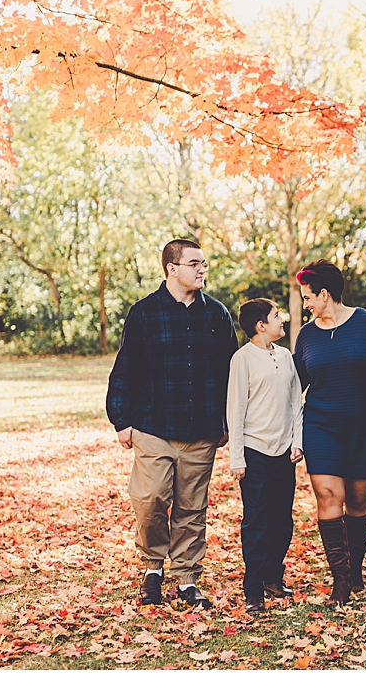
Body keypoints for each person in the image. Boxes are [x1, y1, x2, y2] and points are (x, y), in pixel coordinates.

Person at [106, 239, 239, 609]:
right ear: (171, 269)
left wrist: (228, 420)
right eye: (194, 263)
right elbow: (126, 367)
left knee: (191, 508)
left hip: (201, 430)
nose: (202, 270)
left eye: (204, 264)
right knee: (149, 500)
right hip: (153, 425)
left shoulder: (216, 314)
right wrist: (121, 419)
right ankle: (152, 568)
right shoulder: (144, 312)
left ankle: (186, 578)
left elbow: (229, 372)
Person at [292, 259, 366, 606]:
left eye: (308, 297)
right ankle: (340, 579)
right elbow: (296, 383)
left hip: (365, 424)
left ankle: (354, 570)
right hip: (321, 424)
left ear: (325, 294)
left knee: (357, 500)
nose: (305, 304)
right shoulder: (307, 334)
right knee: (327, 495)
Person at [227, 298, 305, 615]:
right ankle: (253, 589)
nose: (281, 320)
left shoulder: (285, 356)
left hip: (284, 453)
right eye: (276, 316)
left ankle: (274, 578)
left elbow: (295, 402)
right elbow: (235, 410)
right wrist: (237, 458)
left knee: (282, 521)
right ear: (261, 325)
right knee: (256, 522)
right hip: (254, 452)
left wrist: (297, 442)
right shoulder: (242, 359)